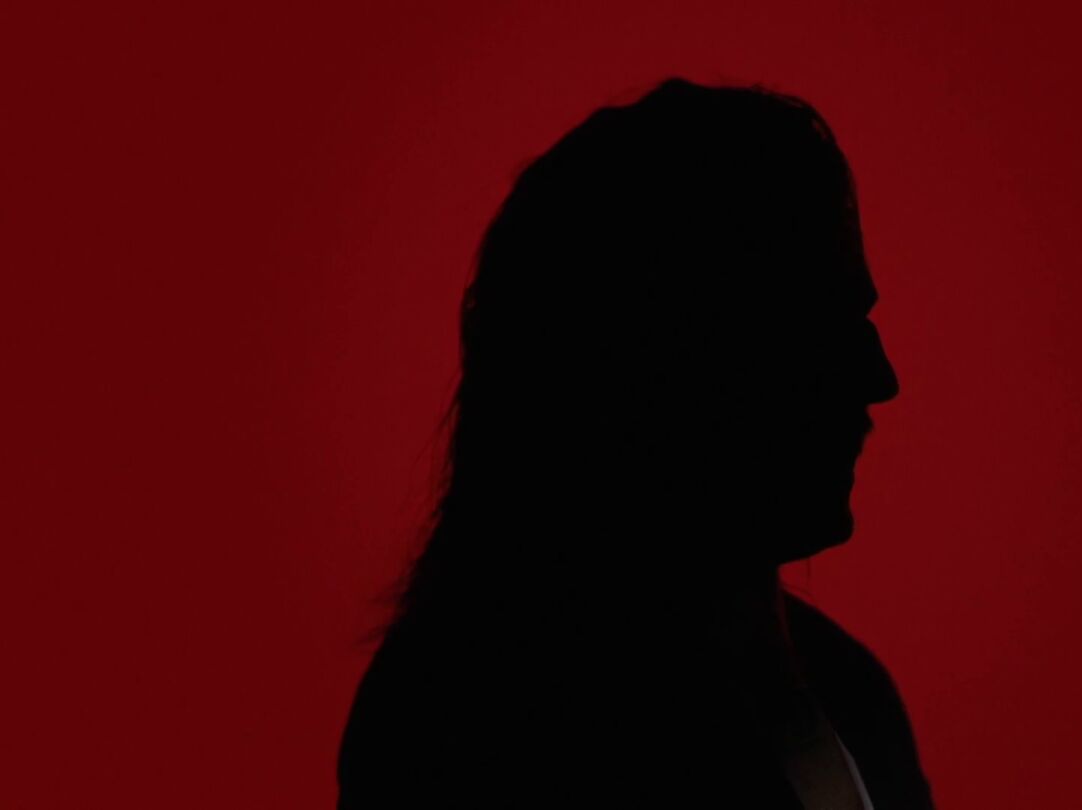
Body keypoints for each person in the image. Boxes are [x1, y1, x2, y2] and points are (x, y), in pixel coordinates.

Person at [336, 77, 935, 809]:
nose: (878, 378)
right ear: (666, 362)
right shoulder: (464, 723)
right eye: (815, 329)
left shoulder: (849, 689)